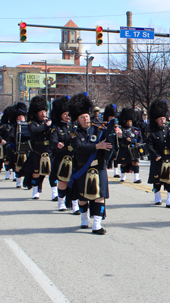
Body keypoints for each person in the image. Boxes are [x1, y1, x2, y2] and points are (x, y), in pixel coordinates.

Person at [68, 93, 121, 234]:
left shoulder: (99, 130)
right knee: (83, 197)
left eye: (86, 116)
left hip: (99, 167)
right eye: (82, 117)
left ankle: (97, 224)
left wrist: (116, 134)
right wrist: (97, 146)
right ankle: (84, 219)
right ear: (77, 120)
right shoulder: (74, 134)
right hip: (82, 168)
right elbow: (79, 147)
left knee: (100, 196)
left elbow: (110, 142)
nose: (85, 119)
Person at [146, 100, 170, 208]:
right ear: (156, 120)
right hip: (159, 158)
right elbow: (149, 146)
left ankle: (169, 201)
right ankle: (157, 197)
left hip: (169, 158)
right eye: (160, 119)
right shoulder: (152, 133)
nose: (163, 120)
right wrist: (154, 155)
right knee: (157, 181)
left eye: (164, 118)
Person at [49, 96, 78, 213]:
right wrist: (57, 144)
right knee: (62, 180)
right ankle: (61, 202)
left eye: (69, 114)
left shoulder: (74, 127)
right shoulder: (56, 128)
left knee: (75, 180)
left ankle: (75, 204)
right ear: (60, 114)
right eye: (65, 114)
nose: (67, 116)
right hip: (61, 157)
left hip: (74, 157)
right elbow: (52, 140)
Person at [21, 96, 52, 199]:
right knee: (36, 172)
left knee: (49, 172)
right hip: (37, 151)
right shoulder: (32, 123)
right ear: (36, 113)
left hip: (48, 150)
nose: (43, 114)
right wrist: (46, 126)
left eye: (44, 111)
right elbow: (34, 131)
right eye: (41, 112)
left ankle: (54, 193)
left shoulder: (48, 122)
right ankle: (35, 190)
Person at [117, 107, 143, 183]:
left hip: (133, 148)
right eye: (127, 121)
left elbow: (140, 138)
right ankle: (123, 176)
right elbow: (118, 139)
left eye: (130, 121)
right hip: (124, 148)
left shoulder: (136, 130)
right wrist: (124, 139)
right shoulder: (121, 129)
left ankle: (136, 178)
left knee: (135, 162)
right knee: (124, 163)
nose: (129, 123)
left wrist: (139, 143)